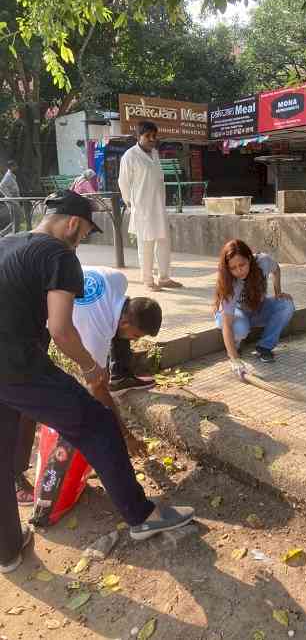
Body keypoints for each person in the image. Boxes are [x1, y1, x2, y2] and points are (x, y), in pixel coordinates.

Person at [0, 190, 194, 575]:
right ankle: (142, 515)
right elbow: (60, 328)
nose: (84, 237)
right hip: (18, 365)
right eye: (86, 230)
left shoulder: (6, 243)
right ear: (74, 222)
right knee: (98, 422)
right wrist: (90, 368)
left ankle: (6, 551)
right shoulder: (59, 255)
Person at [13, 265, 162, 505]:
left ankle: (120, 375)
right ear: (125, 322)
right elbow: (98, 389)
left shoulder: (117, 280)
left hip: (44, 298)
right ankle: (13, 476)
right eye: (136, 336)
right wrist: (126, 435)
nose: (135, 342)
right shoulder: (96, 332)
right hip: (21, 319)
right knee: (26, 398)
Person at [214, 239, 295, 376]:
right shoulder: (230, 284)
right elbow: (227, 323)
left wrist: (278, 292)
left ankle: (264, 347)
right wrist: (235, 360)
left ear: (250, 259)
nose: (239, 271)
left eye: (242, 265)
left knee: (286, 305)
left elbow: (276, 270)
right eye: (233, 268)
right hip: (236, 313)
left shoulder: (263, 261)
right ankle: (235, 346)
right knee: (240, 329)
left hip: (258, 308)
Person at [118, 121, 182, 292]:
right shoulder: (129, 156)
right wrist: (130, 203)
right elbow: (123, 182)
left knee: (164, 242)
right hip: (142, 208)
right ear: (138, 137)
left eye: (154, 136)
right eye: (148, 136)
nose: (152, 139)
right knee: (146, 245)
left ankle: (164, 278)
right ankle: (147, 280)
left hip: (159, 207)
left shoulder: (155, 153)